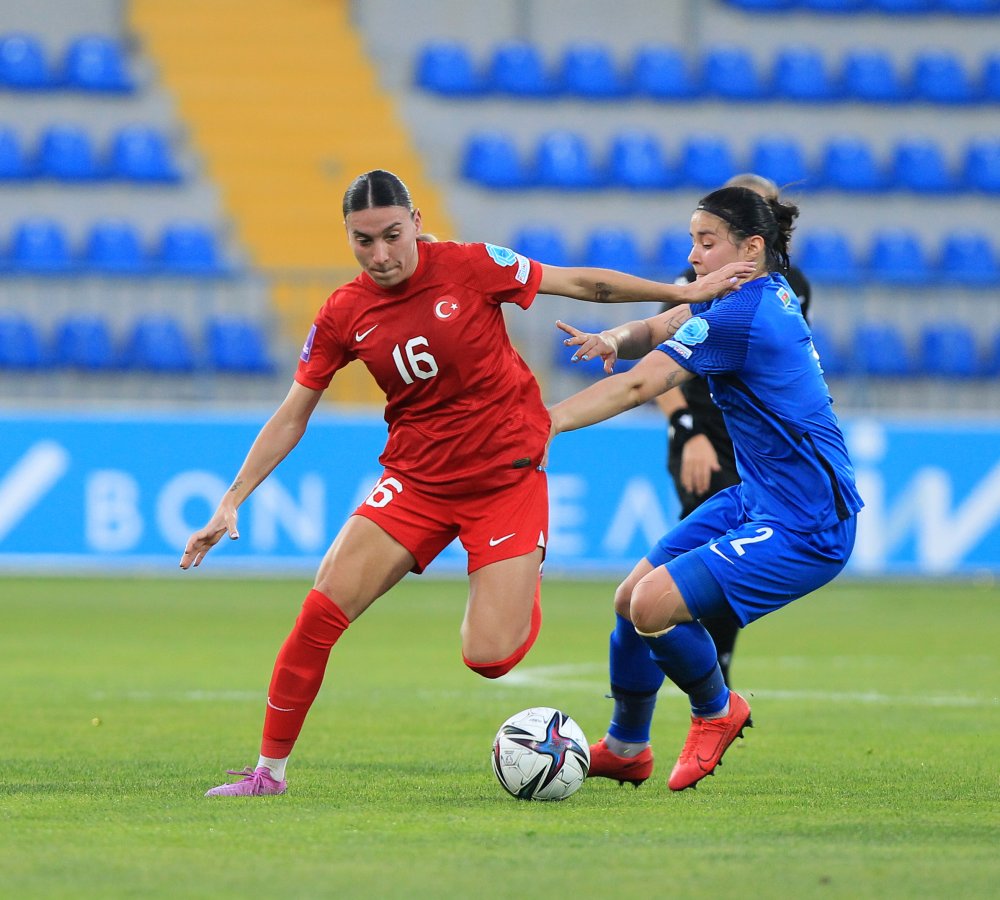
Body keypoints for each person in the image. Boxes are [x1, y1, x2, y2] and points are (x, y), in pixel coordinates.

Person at [181, 169, 753, 797]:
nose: (380, 255)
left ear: (417, 223)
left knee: (490, 658)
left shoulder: (472, 266)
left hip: (505, 477)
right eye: (363, 241)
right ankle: (268, 774)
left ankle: (520, 564)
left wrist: (685, 293)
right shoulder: (344, 311)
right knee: (319, 612)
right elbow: (293, 414)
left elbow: (581, 283)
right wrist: (232, 498)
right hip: (415, 482)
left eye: (392, 236)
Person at [550, 185, 862, 791]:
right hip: (758, 497)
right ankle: (626, 745)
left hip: (809, 523)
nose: (692, 256)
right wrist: (610, 340)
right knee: (630, 599)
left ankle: (716, 711)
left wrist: (548, 420)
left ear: (751, 247)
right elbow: (659, 324)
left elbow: (642, 386)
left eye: (705, 242)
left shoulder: (745, 314)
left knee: (652, 606)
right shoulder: (747, 293)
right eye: (692, 240)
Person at [656, 173, 813, 685]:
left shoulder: (789, 288)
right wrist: (687, 432)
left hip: (754, 444)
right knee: (689, 571)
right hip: (703, 435)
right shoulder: (692, 283)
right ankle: (701, 686)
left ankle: (713, 680)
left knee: (720, 567)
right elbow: (658, 371)